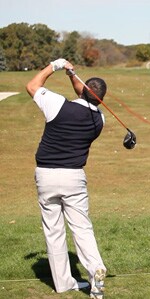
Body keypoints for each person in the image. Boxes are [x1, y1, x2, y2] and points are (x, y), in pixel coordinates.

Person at [26, 58, 107, 299]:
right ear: (100, 99)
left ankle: (62, 283)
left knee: (54, 230)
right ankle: (95, 271)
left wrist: (56, 65)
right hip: (74, 177)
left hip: (46, 175)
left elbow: (32, 85)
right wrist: (73, 76)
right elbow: (86, 98)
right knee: (82, 228)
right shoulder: (99, 120)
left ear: (83, 89)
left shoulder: (57, 105)